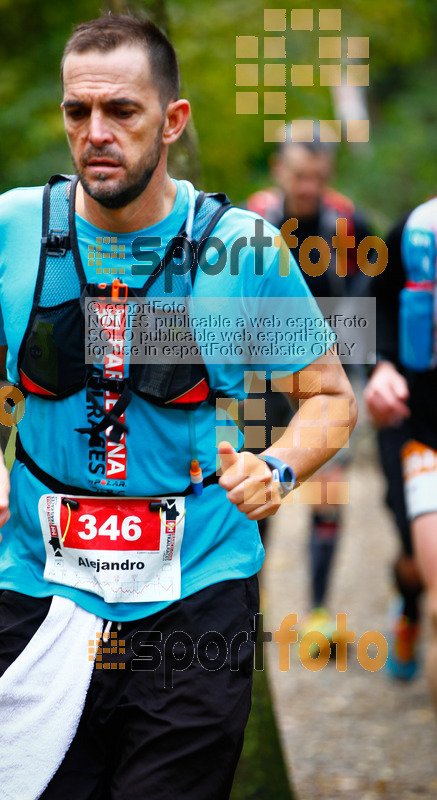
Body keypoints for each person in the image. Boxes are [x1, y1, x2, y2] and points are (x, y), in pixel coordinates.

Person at [0, 16, 357, 799]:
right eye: (78, 112)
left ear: (172, 120)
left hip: (196, 599)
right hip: (43, 592)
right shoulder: (12, 228)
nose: (95, 133)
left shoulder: (242, 250)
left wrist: (277, 467)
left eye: (121, 112)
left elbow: (329, 401)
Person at [247, 128, 372, 641]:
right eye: (299, 176)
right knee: (256, 482)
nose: (307, 187)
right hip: (259, 376)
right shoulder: (255, 220)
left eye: (317, 178)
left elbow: (372, 290)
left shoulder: (345, 221)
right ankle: (251, 608)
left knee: (328, 491)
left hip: (323, 375)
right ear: (280, 169)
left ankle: (319, 612)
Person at [365, 206, 434, 688]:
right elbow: (370, 308)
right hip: (414, 422)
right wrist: (382, 366)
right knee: (418, 558)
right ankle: (411, 607)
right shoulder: (415, 232)